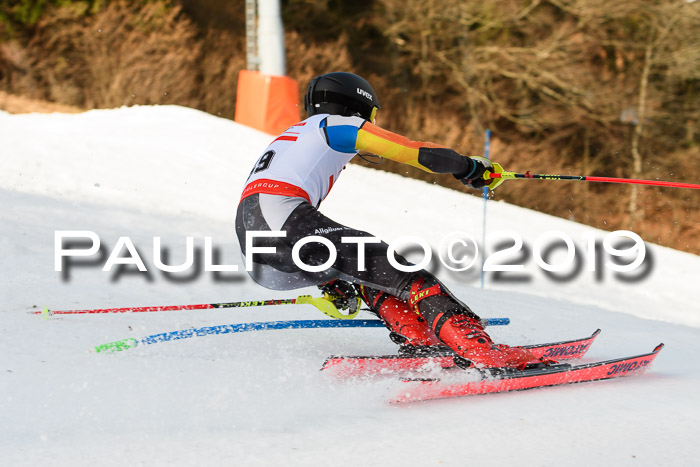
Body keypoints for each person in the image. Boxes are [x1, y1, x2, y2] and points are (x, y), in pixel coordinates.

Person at [235, 71, 542, 369]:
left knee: (369, 273)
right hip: (281, 218)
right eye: (371, 116)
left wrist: (332, 283)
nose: (371, 123)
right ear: (357, 107)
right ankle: (479, 350)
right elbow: (413, 151)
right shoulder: (338, 124)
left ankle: (420, 338)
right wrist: (470, 167)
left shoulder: (293, 135)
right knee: (408, 276)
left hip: (255, 240)